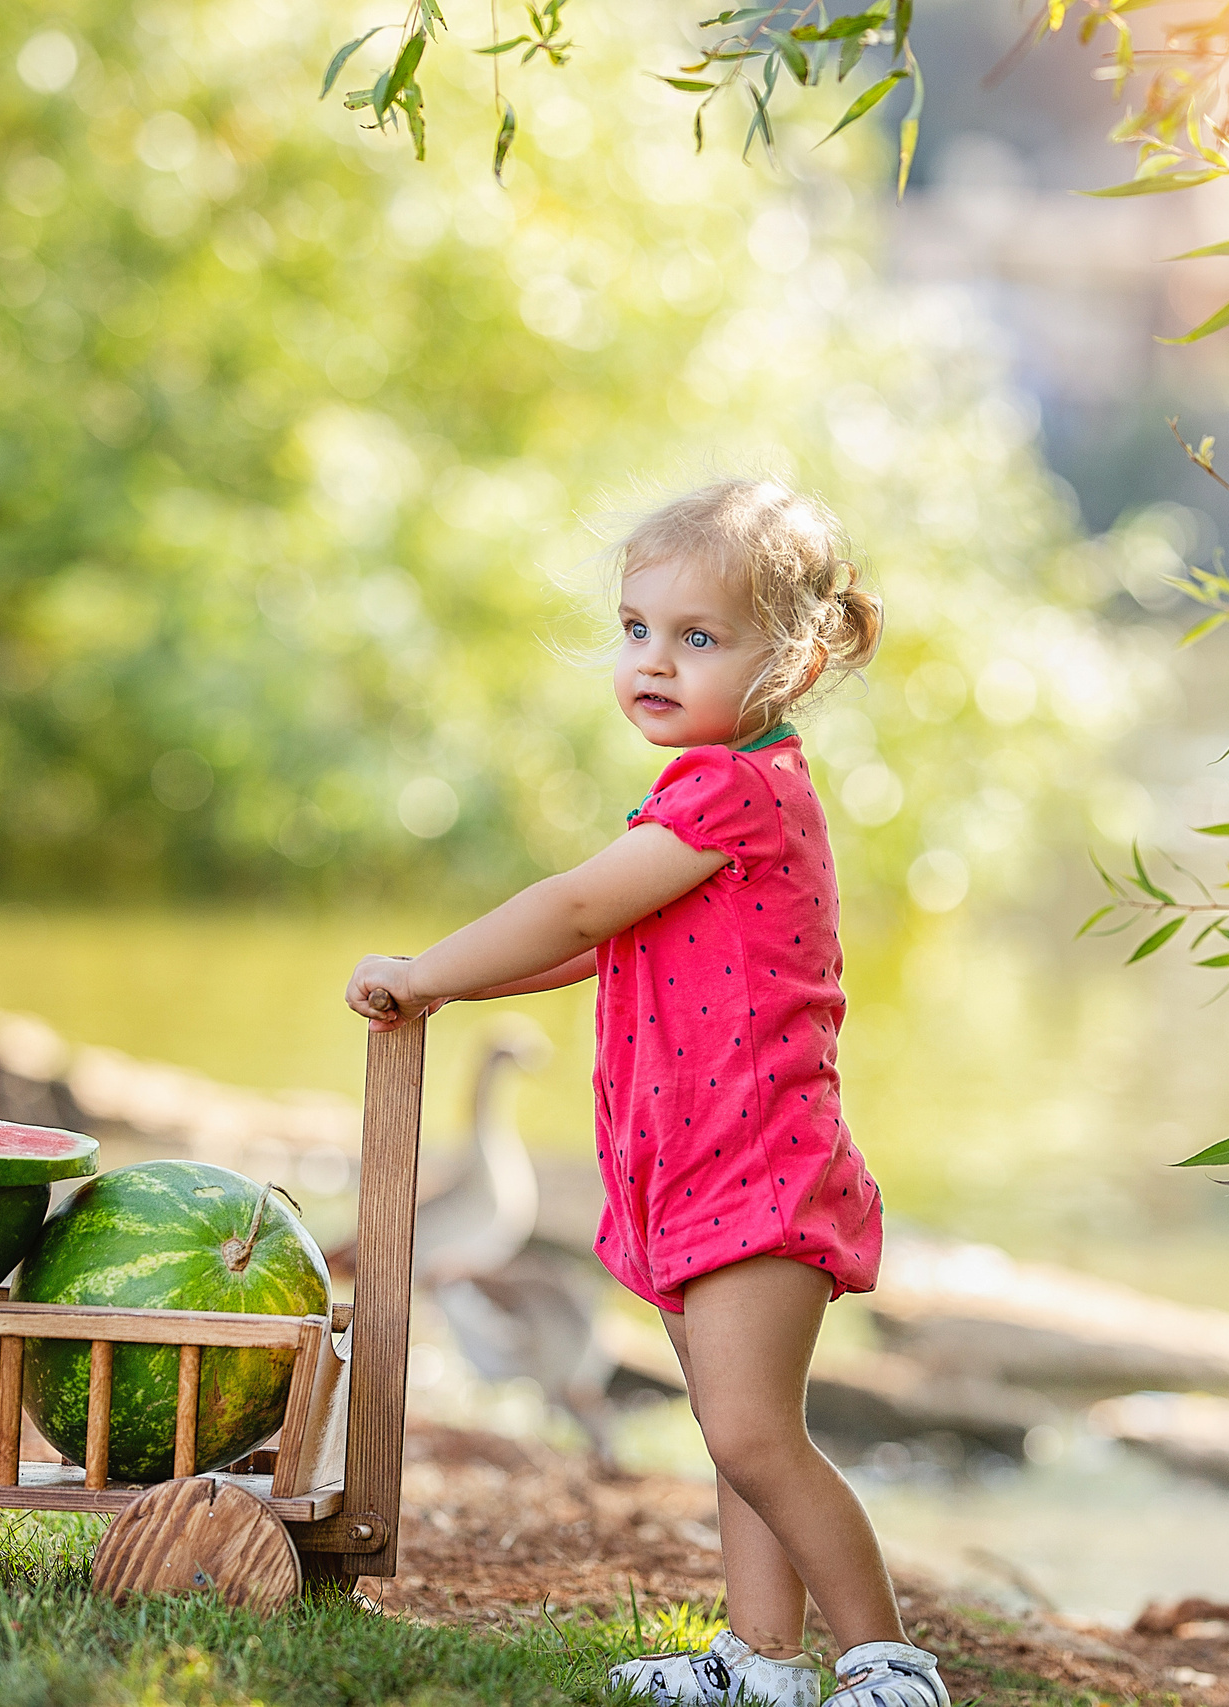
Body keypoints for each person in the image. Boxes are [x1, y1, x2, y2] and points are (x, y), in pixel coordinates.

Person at [345, 479, 948, 1707]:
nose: (652, 663)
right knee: (738, 1440)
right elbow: (600, 939)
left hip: (755, 1165)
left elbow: (571, 903)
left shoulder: (732, 790)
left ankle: (889, 1666)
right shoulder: (715, 791)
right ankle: (760, 1663)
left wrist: (423, 968)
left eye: (698, 638)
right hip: (688, 1164)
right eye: (635, 631)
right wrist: (453, 992)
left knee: (751, 1437)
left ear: (792, 657)